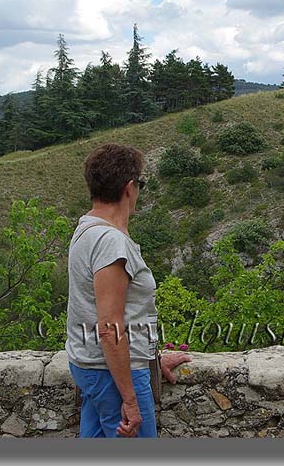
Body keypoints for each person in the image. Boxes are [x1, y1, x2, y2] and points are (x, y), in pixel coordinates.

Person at [66, 143, 192, 438]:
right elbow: (110, 328)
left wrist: (151, 361)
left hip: (94, 369)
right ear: (129, 187)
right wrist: (130, 399)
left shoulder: (86, 228)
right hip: (114, 377)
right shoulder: (111, 242)